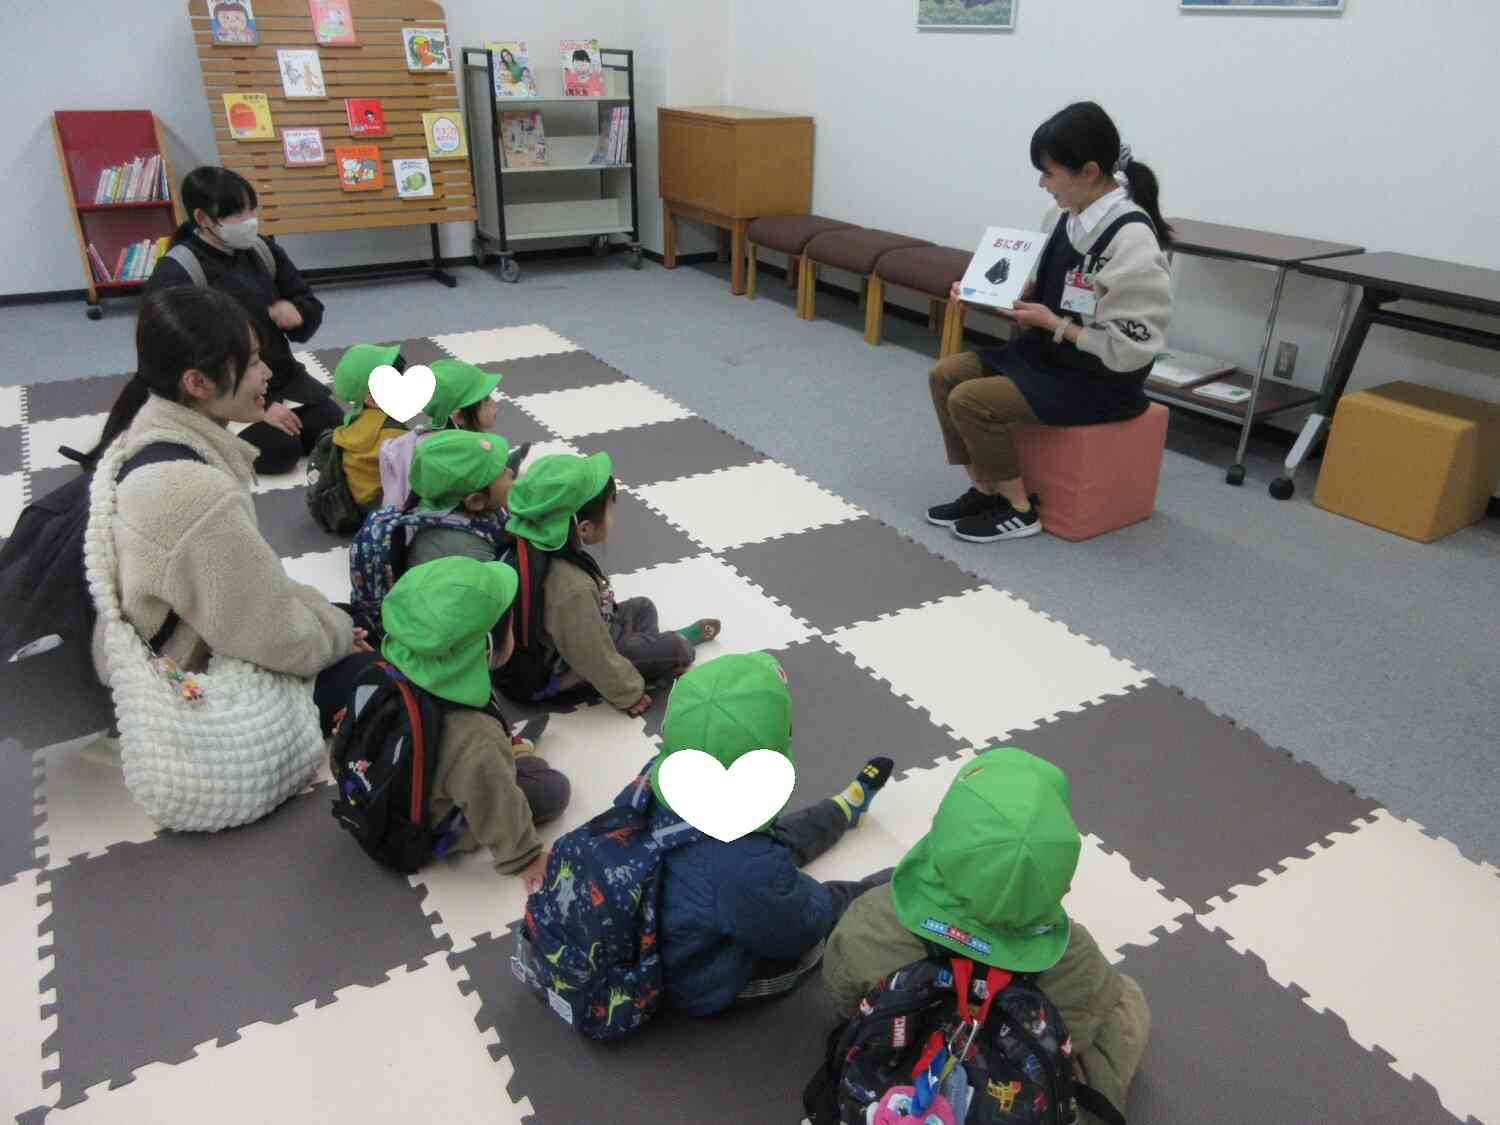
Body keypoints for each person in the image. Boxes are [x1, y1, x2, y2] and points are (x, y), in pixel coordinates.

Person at [84, 286, 372, 720]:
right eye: (253, 361)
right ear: (197, 383)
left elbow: (251, 585)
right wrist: (340, 637)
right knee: (377, 668)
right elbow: (270, 634)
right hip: (184, 682)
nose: (267, 373)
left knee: (354, 617)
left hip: (176, 636)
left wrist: (331, 620)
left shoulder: (147, 428)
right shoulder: (197, 494)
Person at [821, 747, 1151, 1125]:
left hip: (898, 1078)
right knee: (1126, 1001)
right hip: (1016, 1088)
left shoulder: (873, 919)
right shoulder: (1077, 958)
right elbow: (1078, 1029)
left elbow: (841, 992)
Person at [927, 101, 1173, 543]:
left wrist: (1056, 325)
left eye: (1049, 173)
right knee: (945, 374)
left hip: (1103, 379)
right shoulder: (1063, 216)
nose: (1043, 184)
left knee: (970, 399)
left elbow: (1133, 349)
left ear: (1089, 171)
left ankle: (1019, 509)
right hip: (1051, 354)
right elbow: (1050, 287)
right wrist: (1003, 294)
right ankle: (987, 488)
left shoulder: (1131, 238)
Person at [624, 651, 895, 1016]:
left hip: (698, 892)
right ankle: (902, 883)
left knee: (769, 841)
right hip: (700, 981)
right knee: (832, 902)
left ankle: (843, 809)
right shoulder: (745, 869)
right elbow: (801, 927)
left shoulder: (659, 778)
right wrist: (806, 890)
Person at [376, 556, 570, 891]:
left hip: (387, 795)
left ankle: (515, 753)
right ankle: (522, 754)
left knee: (484, 764)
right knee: (552, 789)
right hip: (431, 825)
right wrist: (525, 856)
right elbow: (496, 805)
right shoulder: (474, 736)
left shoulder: (390, 664)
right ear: (488, 645)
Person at [147, 166, 340, 475]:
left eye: (252, 209)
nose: (249, 220)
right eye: (237, 214)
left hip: (280, 376)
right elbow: (178, 356)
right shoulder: (179, 269)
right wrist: (255, 409)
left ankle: (271, 421)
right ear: (202, 219)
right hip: (226, 391)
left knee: (332, 424)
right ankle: (228, 435)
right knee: (280, 451)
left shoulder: (261, 249)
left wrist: (298, 314)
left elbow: (307, 300)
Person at [502, 453, 719, 715]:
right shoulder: (570, 587)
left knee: (643, 607)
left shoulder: (538, 544)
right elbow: (591, 656)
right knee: (676, 649)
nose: (612, 517)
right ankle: (670, 647)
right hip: (560, 669)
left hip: (586, 632)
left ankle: (643, 653)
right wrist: (628, 692)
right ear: (584, 528)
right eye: (610, 509)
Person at [378, 358, 515, 509]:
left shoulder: (426, 438)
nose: (494, 404)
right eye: (486, 399)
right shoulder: (459, 453)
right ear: (458, 415)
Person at [406, 429, 514, 567]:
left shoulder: (443, 504)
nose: (511, 472)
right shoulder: (470, 554)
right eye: (502, 472)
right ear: (476, 501)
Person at [328, 343, 408, 511]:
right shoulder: (393, 433)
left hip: (359, 502)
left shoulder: (353, 421)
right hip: (384, 504)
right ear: (372, 400)